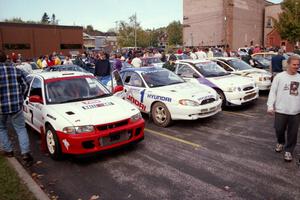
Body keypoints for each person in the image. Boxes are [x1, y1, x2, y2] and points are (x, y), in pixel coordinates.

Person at [0, 50, 33, 166]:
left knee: (1, 128)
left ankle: (9, 151)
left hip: (1, 107)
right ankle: (25, 154)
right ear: (5, 58)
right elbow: (26, 85)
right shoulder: (16, 70)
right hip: (16, 105)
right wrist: (21, 98)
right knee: (20, 129)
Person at [267, 54, 300, 162]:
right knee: (279, 129)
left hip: (296, 111)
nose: (296, 66)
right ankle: (280, 142)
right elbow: (273, 92)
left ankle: (288, 151)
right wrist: (270, 106)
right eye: (294, 64)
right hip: (281, 110)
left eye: (298, 65)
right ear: (288, 64)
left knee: (293, 133)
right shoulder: (279, 77)